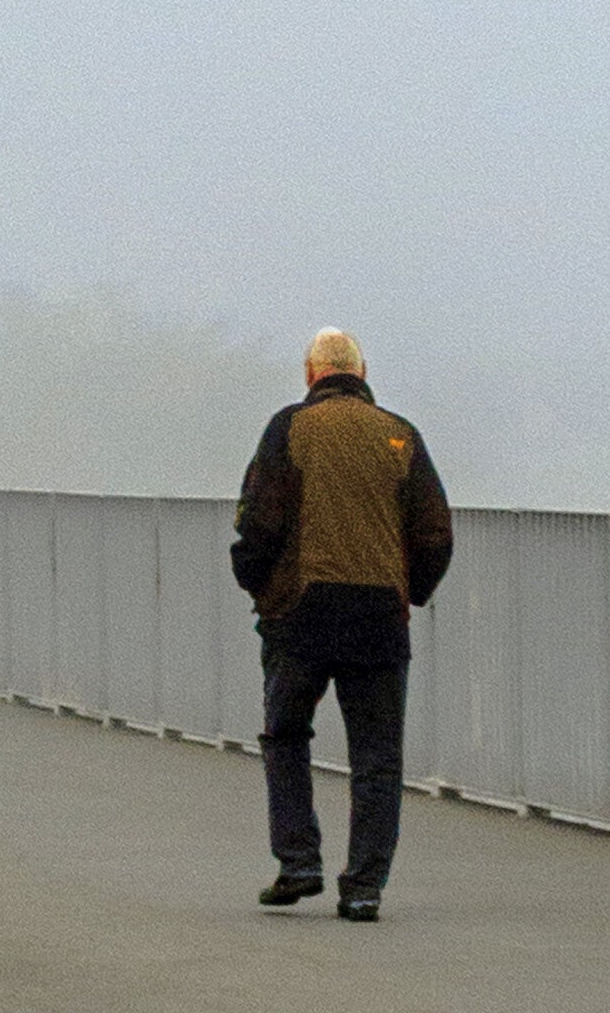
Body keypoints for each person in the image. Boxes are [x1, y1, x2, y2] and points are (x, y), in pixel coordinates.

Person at [230, 328, 453, 922]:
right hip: (378, 619)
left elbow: (259, 520)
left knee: (285, 735)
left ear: (311, 374)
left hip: (300, 615)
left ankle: (299, 863)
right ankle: (363, 889)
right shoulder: (401, 435)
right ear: (363, 372)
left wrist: (256, 583)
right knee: (378, 758)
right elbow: (435, 533)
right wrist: (409, 591)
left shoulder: (289, 428)